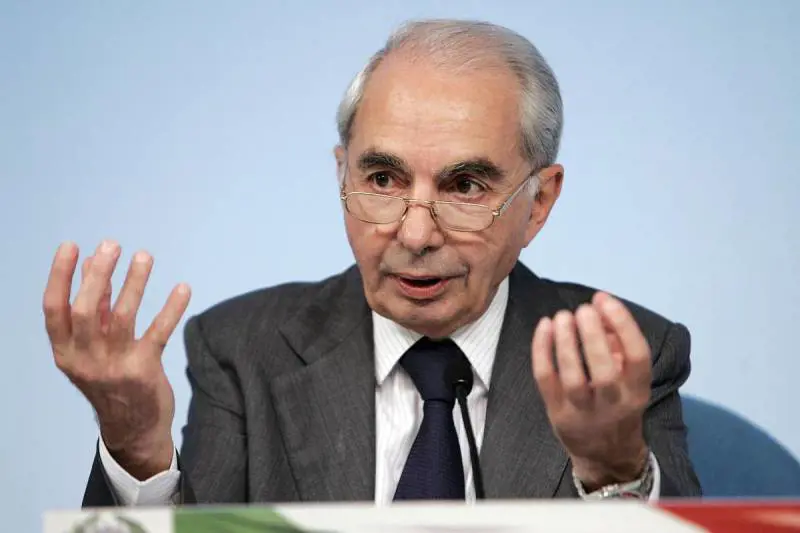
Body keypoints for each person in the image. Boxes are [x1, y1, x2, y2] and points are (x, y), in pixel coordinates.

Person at [44, 19, 701, 507]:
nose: (414, 233)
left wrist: (615, 473)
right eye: (382, 179)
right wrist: (136, 446)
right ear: (342, 175)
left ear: (539, 203)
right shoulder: (242, 350)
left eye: (465, 186)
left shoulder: (628, 356)